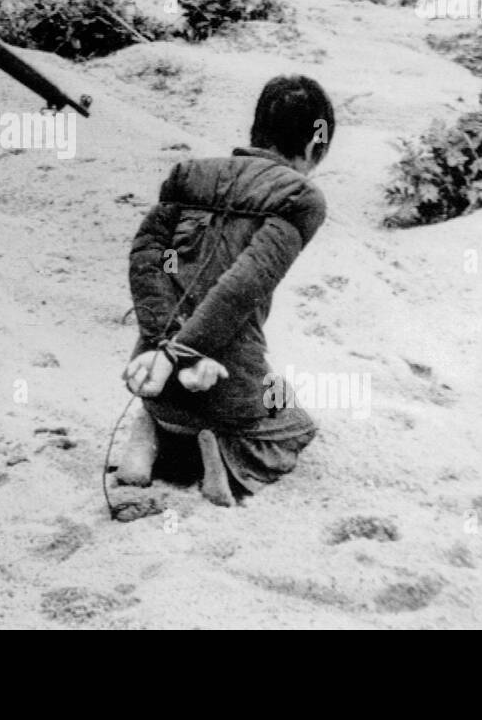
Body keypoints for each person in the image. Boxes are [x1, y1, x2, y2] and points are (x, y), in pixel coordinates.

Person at [117, 75, 334, 506]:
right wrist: (186, 354)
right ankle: (222, 464)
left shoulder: (186, 175)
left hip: (149, 374)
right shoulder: (301, 197)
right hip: (221, 381)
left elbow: (149, 260)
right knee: (292, 419)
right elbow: (244, 282)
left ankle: (149, 432)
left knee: (176, 404)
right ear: (314, 147)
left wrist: (163, 347)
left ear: (256, 130)